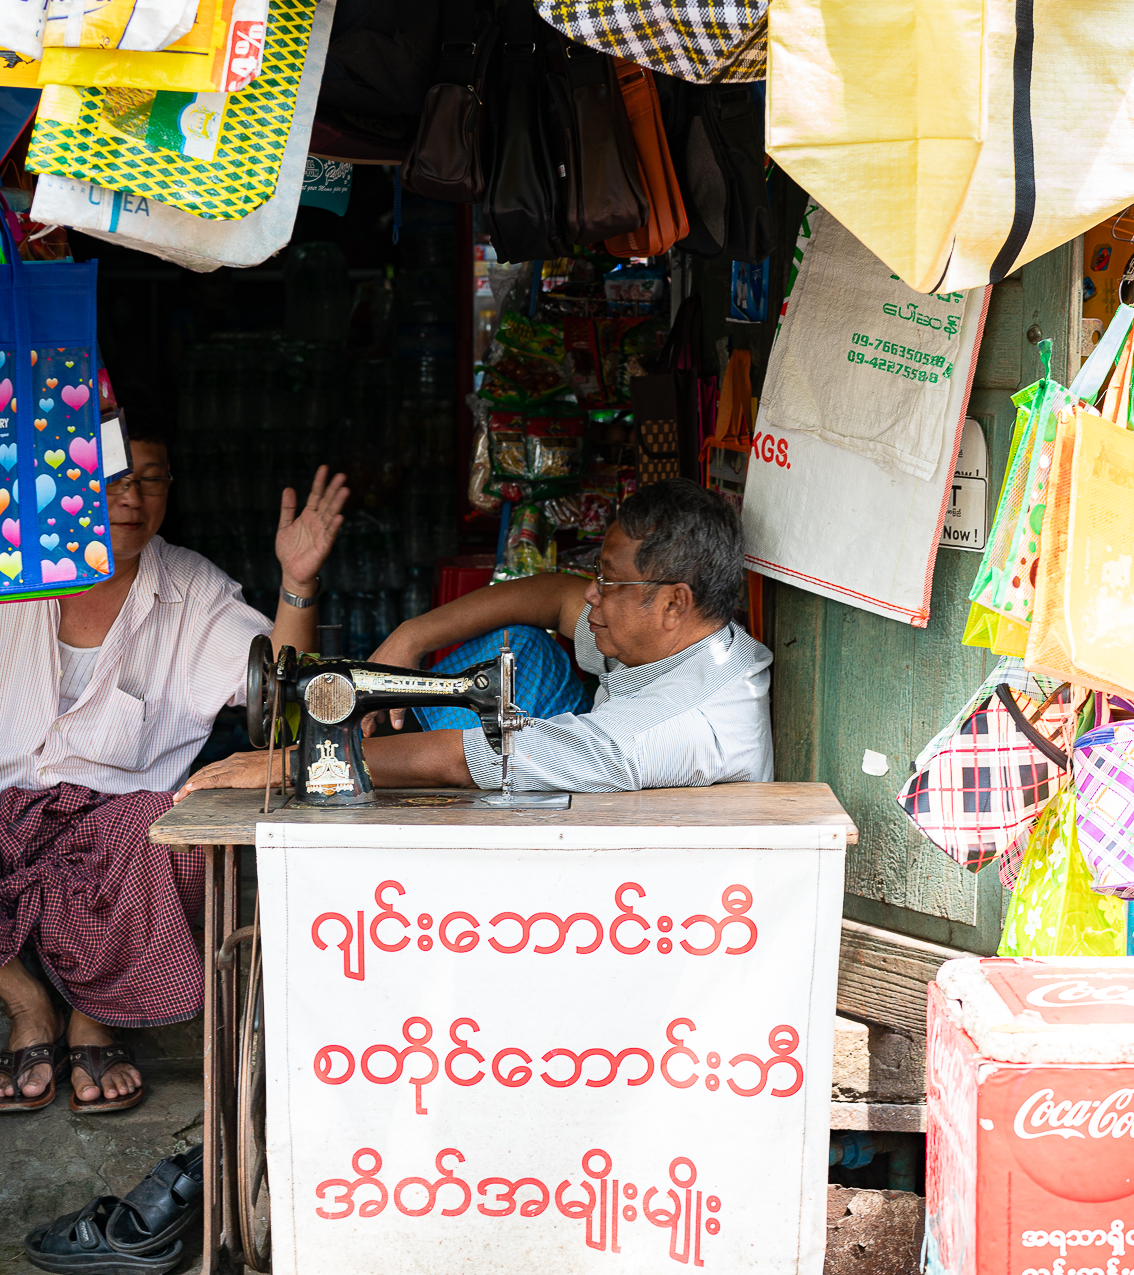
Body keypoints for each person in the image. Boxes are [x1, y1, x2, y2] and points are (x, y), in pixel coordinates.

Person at [0, 404, 348, 1113]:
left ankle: (98, 1014)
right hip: (6, 803)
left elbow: (282, 695)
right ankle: (28, 1002)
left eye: (151, 480)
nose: (130, 497)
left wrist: (298, 580)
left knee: (176, 832)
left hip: (117, 824)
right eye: (111, 477)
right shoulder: (14, 566)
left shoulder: (190, 590)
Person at [181, 479, 772, 800]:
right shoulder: (684, 641)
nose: (593, 594)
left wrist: (291, 763)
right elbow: (555, 595)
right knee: (520, 646)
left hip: (627, 914)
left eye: (609, 581)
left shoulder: (665, 726)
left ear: (674, 601)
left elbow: (477, 758)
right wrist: (411, 637)